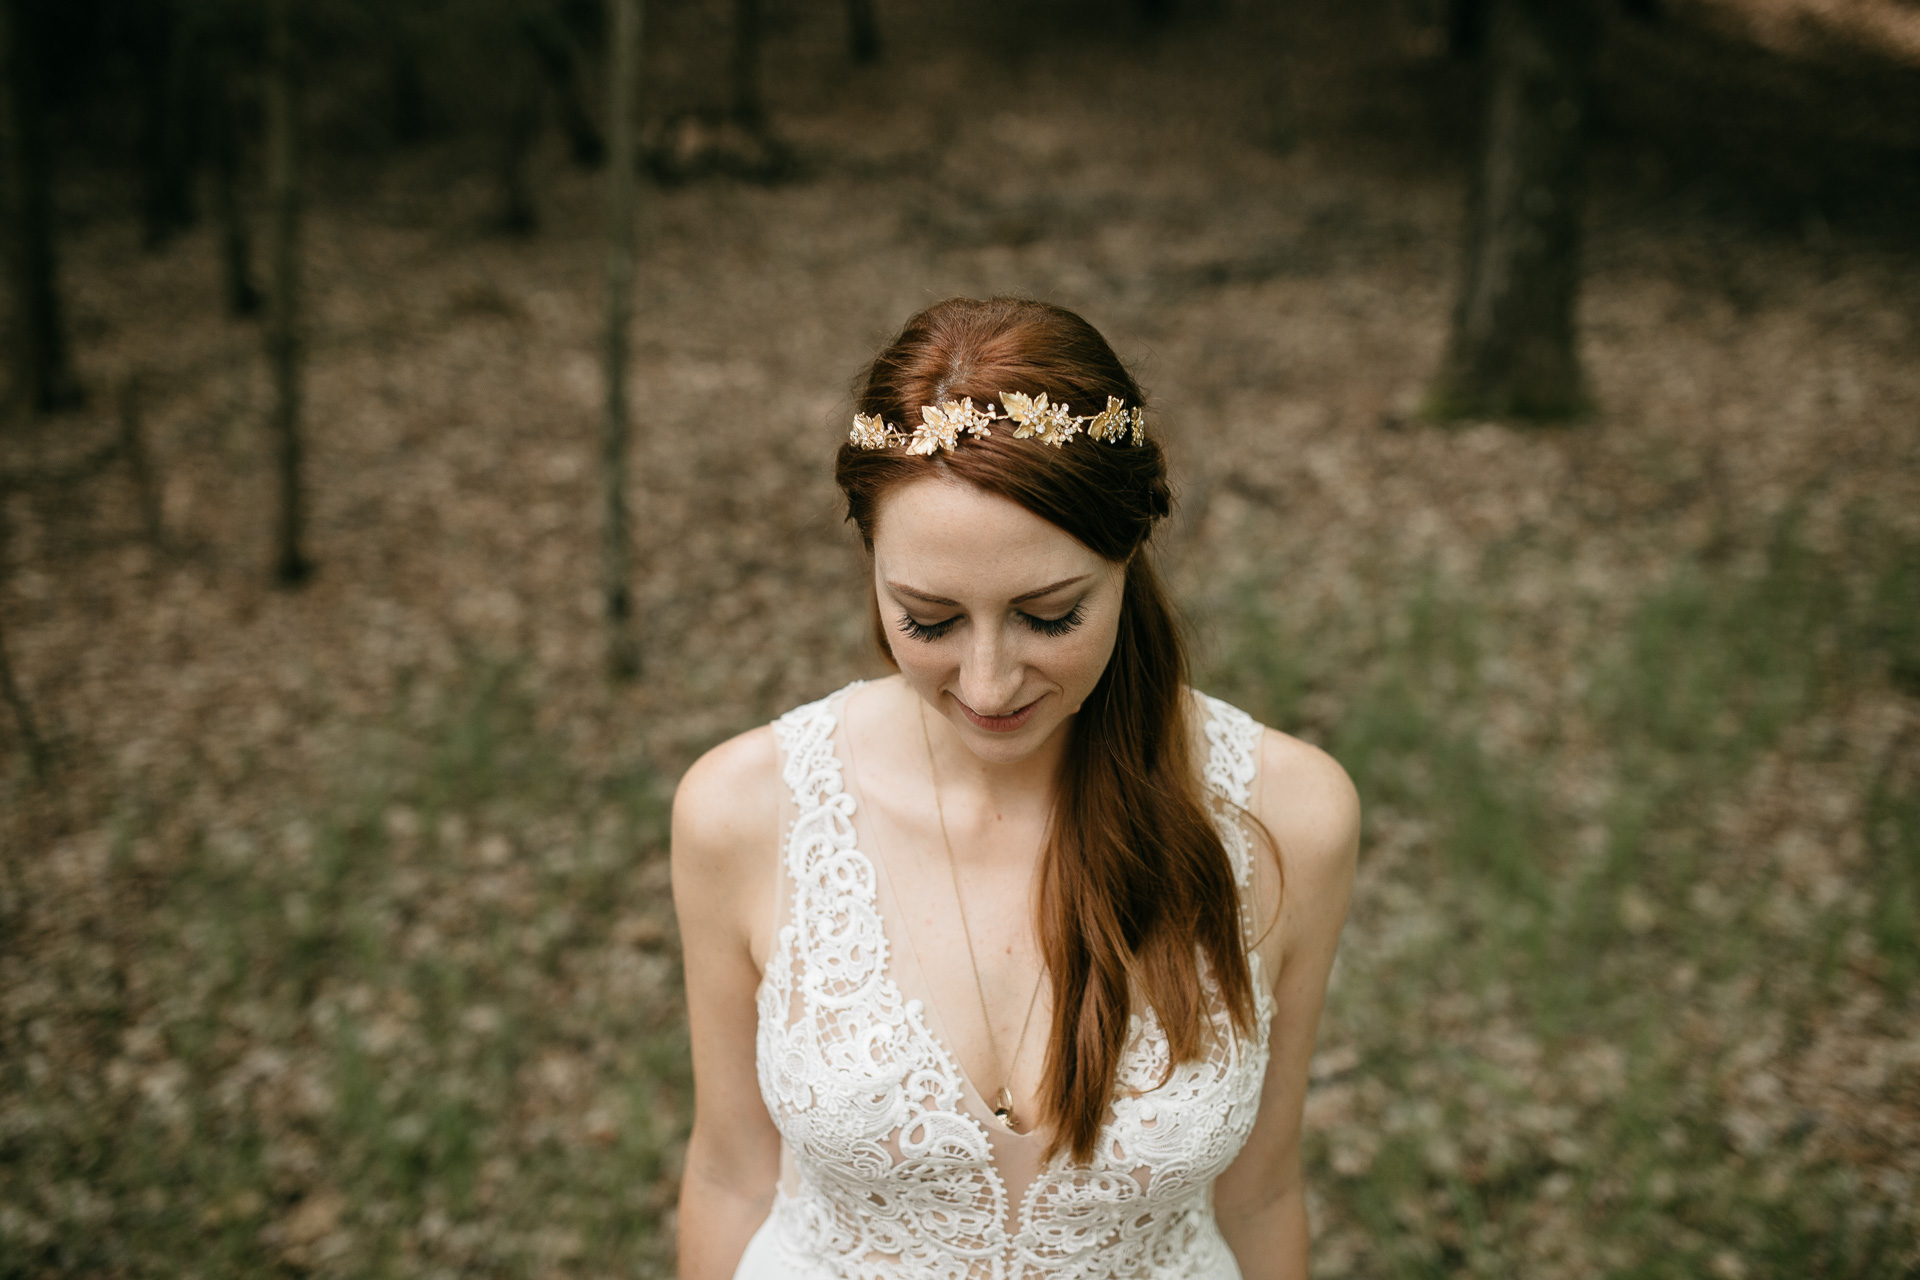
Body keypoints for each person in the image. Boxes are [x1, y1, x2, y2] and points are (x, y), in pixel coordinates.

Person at [671, 297, 1359, 1280]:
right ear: (871, 568)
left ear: (1129, 555)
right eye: (929, 620)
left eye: (1048, 615)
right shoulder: (742, 811)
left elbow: (1260, 1190)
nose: (989, 683)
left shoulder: (1291, 818)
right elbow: (733, 1175)